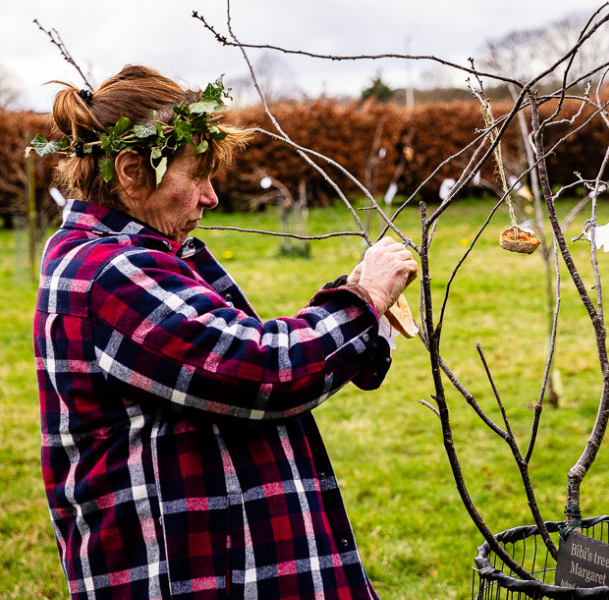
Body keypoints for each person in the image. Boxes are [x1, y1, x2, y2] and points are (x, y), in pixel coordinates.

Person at [33, 65, 417, 600]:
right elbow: (261, 372)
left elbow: (228, 350)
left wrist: (354, 306)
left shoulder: (132, 257)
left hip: (212, 557)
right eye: (198, 176)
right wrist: (365, 300)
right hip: (190, 570)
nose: (211, 197)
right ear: (130, 171)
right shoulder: (113, 273)